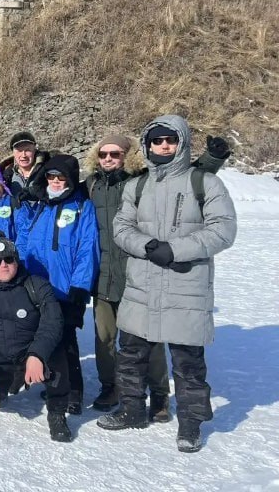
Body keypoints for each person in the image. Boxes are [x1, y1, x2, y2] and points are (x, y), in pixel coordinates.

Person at [98, 115, 237, 453]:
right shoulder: (138, 185)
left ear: (182, 144)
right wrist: (145, 246)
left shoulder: (204, 183)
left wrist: (175, 250)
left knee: (188, 362)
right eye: (156, 141)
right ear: (147, 146)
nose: (162, 146)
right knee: (130, 354)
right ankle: (132, 409)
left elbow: (222, 230)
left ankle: (190, 423)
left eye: (169, 141)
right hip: (142, 285)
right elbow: (122, 227)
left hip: (185, 285)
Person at [0, 231, 72, 442]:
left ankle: (57, 412)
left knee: (58, 355)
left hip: (28, 354)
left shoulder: (37, 284)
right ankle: (1, 387)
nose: (3, 265)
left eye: (9, 259)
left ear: (17, 261)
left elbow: (53, 322)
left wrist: (37, 355)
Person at [15, 153, 99, 416]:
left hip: (65, 288)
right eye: (51, 176)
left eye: (61, 177)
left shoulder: (82, 208)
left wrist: (80, 285)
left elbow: (88, 249)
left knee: (66, 342)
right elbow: (25, 241)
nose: (55, 181)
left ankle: (73, 391)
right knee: (43, 336)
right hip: (37, 285)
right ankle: (53, 383)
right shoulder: (41, 205)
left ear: (71, 179)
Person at [0, 131, 50, 202]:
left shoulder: (48, 171)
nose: (24, 155)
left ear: (34, 150)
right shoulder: (6, 176)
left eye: (28, 150)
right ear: (13, 153)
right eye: (19, 151)